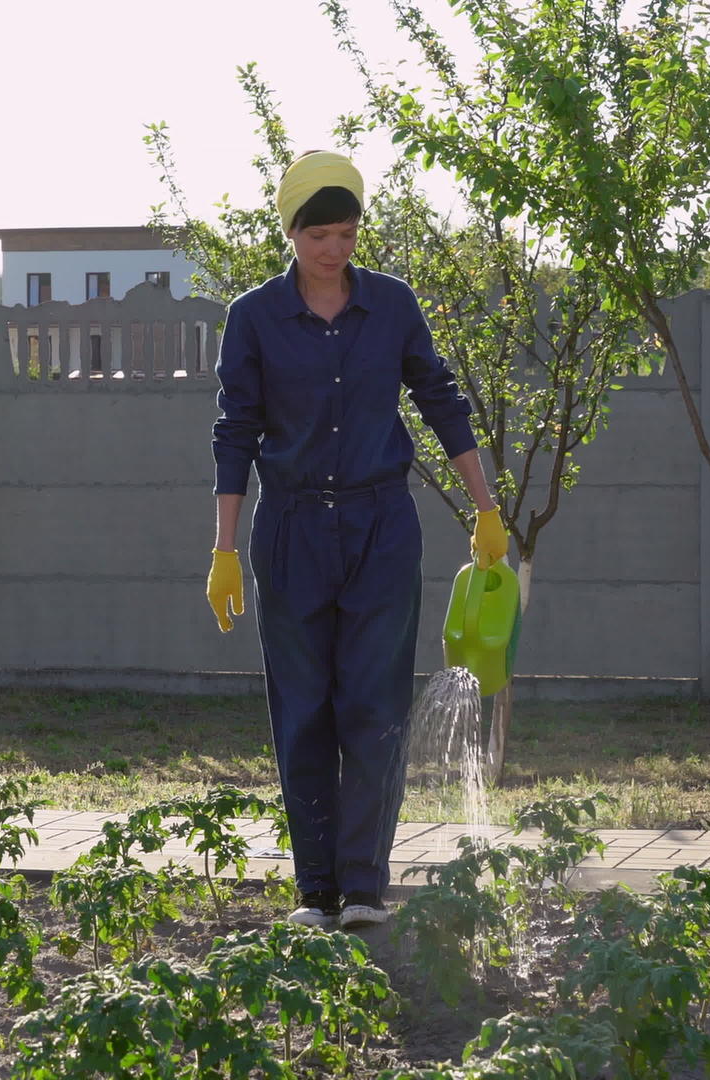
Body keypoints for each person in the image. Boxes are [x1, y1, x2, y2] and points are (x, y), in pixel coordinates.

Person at [204, 150, 507, 930]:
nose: (334, 250)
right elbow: (235, 431)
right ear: (292, 233)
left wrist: (485, 507)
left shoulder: (394, 306)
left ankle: (366, 886)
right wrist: (225, 548)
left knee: (373, 706)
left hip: (381, 527)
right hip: (293, 528)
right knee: (303, 709)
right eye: (319, 236)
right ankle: (317, 891)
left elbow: (440, 400)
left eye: (346, 233)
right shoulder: (254, 317)